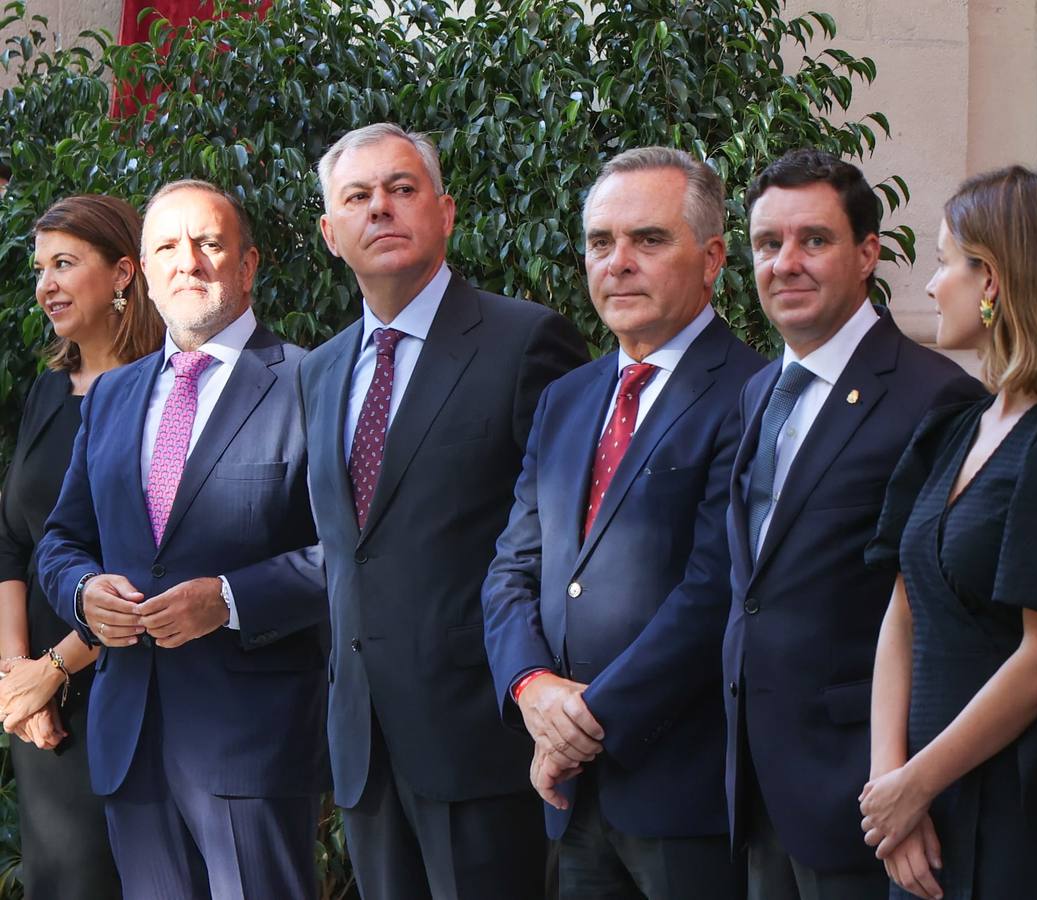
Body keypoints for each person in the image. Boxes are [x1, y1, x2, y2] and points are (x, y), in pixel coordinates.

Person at [301, 122, 587, 900]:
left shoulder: (526, 342)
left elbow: (567, 542)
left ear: (446, 211)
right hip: (364, 743)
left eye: (401, 189)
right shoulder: (319, 371)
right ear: (331, 233)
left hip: (482, 740)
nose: (380, 209)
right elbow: (340, 551)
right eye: (357, 197)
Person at [35, 179, 329, 899]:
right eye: (166, 246)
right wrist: (83, 590)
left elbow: (351, 552)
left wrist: (229, 600)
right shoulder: (111, 394)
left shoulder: (310, 382)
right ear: (144, 269)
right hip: (130, 740)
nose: (187, 261)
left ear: (249, 264)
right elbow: (60, 540)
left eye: (209, 243)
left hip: (252, 746)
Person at [483, 146, 762, 898]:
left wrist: (579, 727)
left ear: (711, 259)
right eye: (601, 243)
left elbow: (714, 593)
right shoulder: (566, 398)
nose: (619, 262)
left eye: (648, 239)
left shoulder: (751, 395)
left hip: (684, 794)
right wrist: (530, 685)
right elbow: (516, 566)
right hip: (572, 799)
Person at [861, 166, 1037, 900]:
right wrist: (890, 789)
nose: (930, 284)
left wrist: (915, 784)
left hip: (1024, 807)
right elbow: (902, 613)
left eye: (946, 260)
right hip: (921, 802)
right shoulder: (953, 426)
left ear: (994, 281)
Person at [722, 149, 984, 900]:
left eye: (814, 240)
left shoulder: (935, 398)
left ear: (868, 252)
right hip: (760, 785)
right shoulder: (758, 392)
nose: (786, 263)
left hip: (870, 800)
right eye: (768, 245)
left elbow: (945, 618)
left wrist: (908, 783)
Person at [0, 194, 163, 899]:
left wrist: (56, 670)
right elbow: (11, 537)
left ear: (124, 272)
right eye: (41, 269)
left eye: (64, 264)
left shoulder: (164, 392)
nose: (46, 286)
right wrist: (16, 675)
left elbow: (154, 563)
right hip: (37, 708)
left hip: (123, 686)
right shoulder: (44, 392)